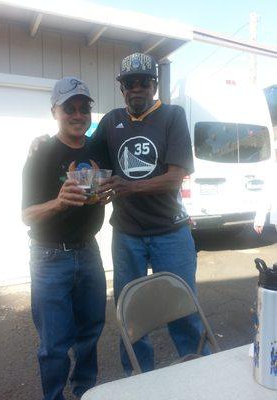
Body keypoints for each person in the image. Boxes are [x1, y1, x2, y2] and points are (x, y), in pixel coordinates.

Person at [91, 52, 207, 374]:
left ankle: (199, 372)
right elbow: (88, 155)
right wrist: (52, 146)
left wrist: (128, 187)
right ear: (122, 89)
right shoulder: (111, 121)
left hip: (171, 233)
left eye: (143, 82)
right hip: (127, 235)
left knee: (184, 310)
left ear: (154, 85)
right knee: (131, 316)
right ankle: (137, 381)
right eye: (130, 83)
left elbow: (175, 177)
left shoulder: (172, 116)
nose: (136, 89)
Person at [22, 77, 111, 400]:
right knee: (54, 345)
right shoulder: (41, 153)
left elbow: (108, 185)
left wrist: (107, 193)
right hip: (49, 257)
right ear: (54, 112)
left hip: (89, 251)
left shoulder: (97, 147)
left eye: (83, 108)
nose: (77, 114)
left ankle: (85, 391)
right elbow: (26, 215)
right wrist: (58, 202)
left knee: (90, 333)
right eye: (68, 108)